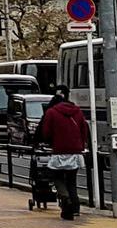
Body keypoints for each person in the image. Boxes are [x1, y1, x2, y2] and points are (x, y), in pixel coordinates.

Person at [34, 86, 90, 220]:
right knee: (72, 180)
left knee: (57, 176)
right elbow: (84, 130)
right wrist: (81, 144)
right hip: (76, 151)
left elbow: (46, 132)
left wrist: (50, 141)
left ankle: (64, 197)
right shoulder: (77, 112)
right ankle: (75, 208)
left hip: (59, 150)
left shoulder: (51, 112)